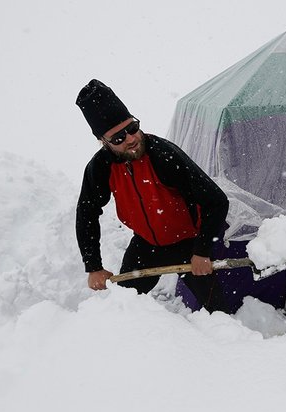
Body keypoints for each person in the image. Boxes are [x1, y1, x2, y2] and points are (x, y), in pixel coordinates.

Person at [75, 79, 229, 312]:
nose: (130, 139)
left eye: (132, 128)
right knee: (124, 306)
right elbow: (86, 213)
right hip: (146, 246)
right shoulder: (100, 167)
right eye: (118, 138)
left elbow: (216, 201)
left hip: (188, 243)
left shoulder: (163, 156)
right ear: (103, 142)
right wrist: (93, 266)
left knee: (218, 313)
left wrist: (202, 251)